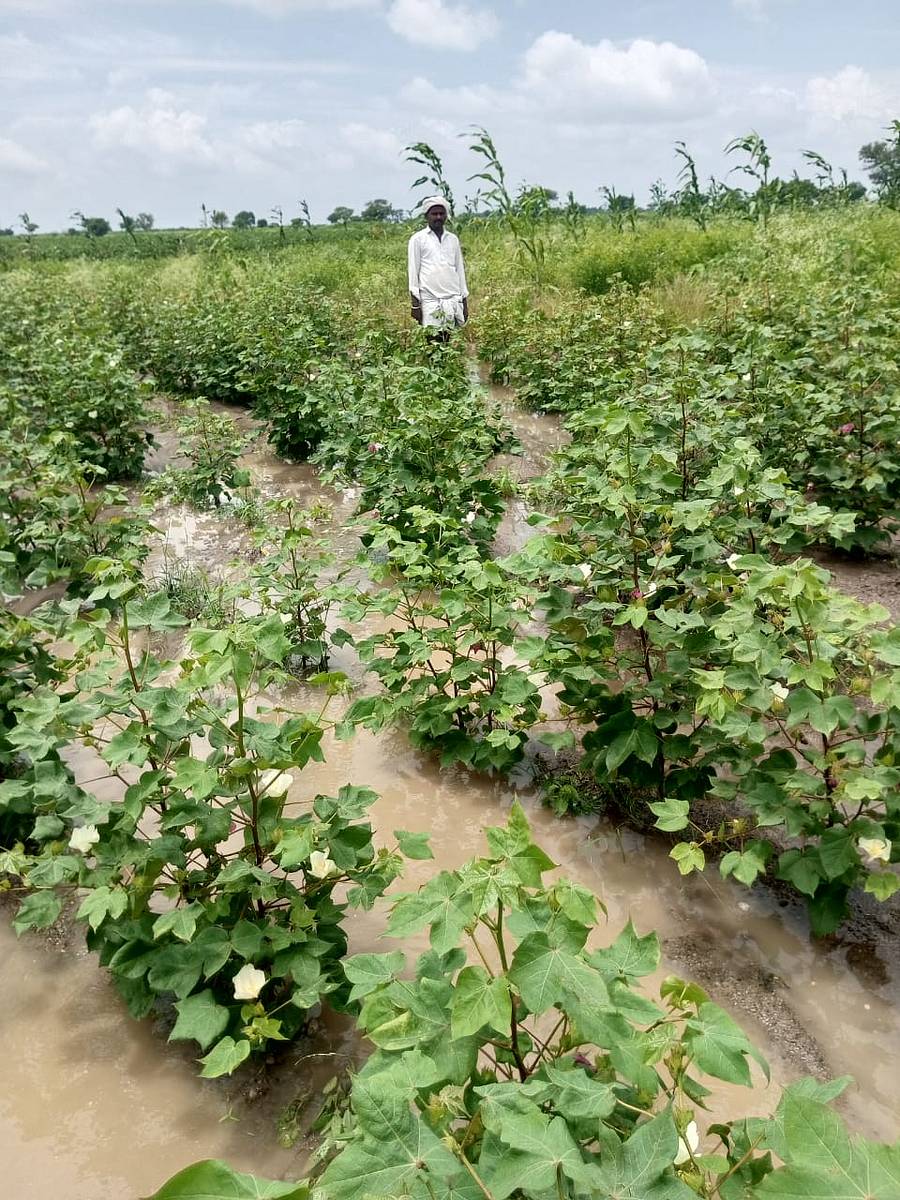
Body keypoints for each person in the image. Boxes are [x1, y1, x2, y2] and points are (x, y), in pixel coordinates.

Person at [407, 195, 469, 341]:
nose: (438, 217)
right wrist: (415, 306)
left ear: (446, 215)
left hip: (453, 300)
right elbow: (413, 272)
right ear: (426, 216)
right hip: (430, 301)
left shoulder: (452, 239)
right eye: (434, 214)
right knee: (433, 343)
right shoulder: (418, 239)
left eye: (441, 213)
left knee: (451, 343)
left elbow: (459, 271)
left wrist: (464, 303)